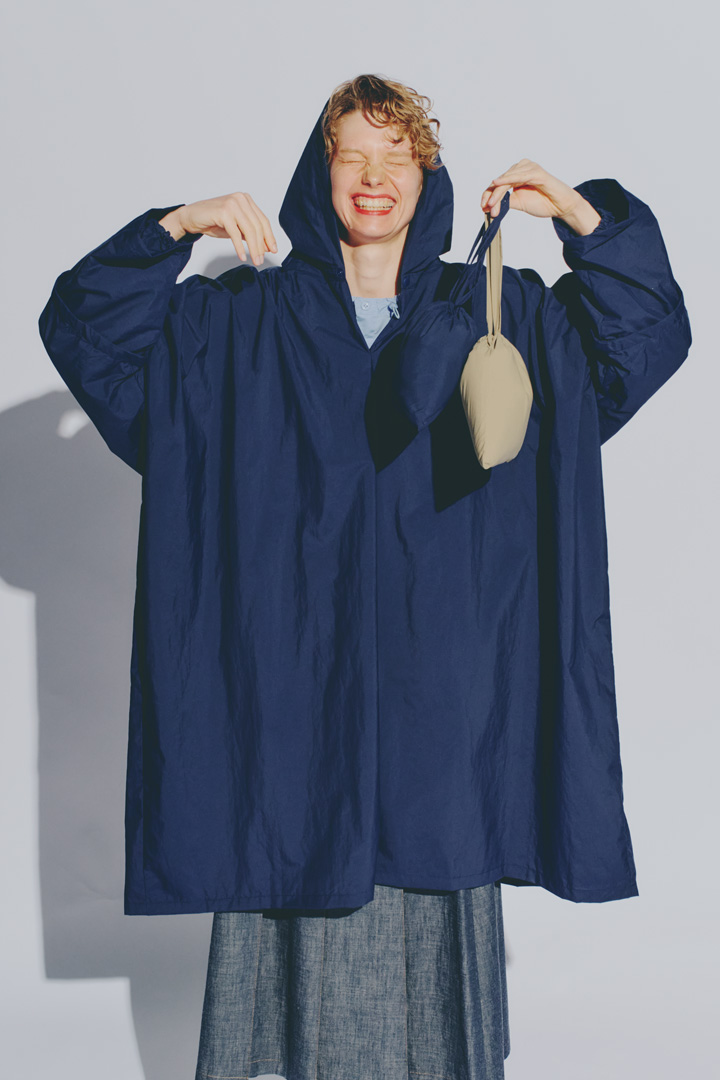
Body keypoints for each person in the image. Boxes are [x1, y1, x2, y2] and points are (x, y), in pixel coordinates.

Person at [38, 74, 691, 1080]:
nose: (374, 176)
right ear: (321, 171)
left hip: (449, 707)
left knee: (435, 902)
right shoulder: (236, 326)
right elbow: (88, 333)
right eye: (352, 153)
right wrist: (175, 227)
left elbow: (640, 338)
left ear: (428, 178)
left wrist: (577, 214)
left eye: (397, 156)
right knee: (295, 870)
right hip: (292, 696)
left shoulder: (499, 315)